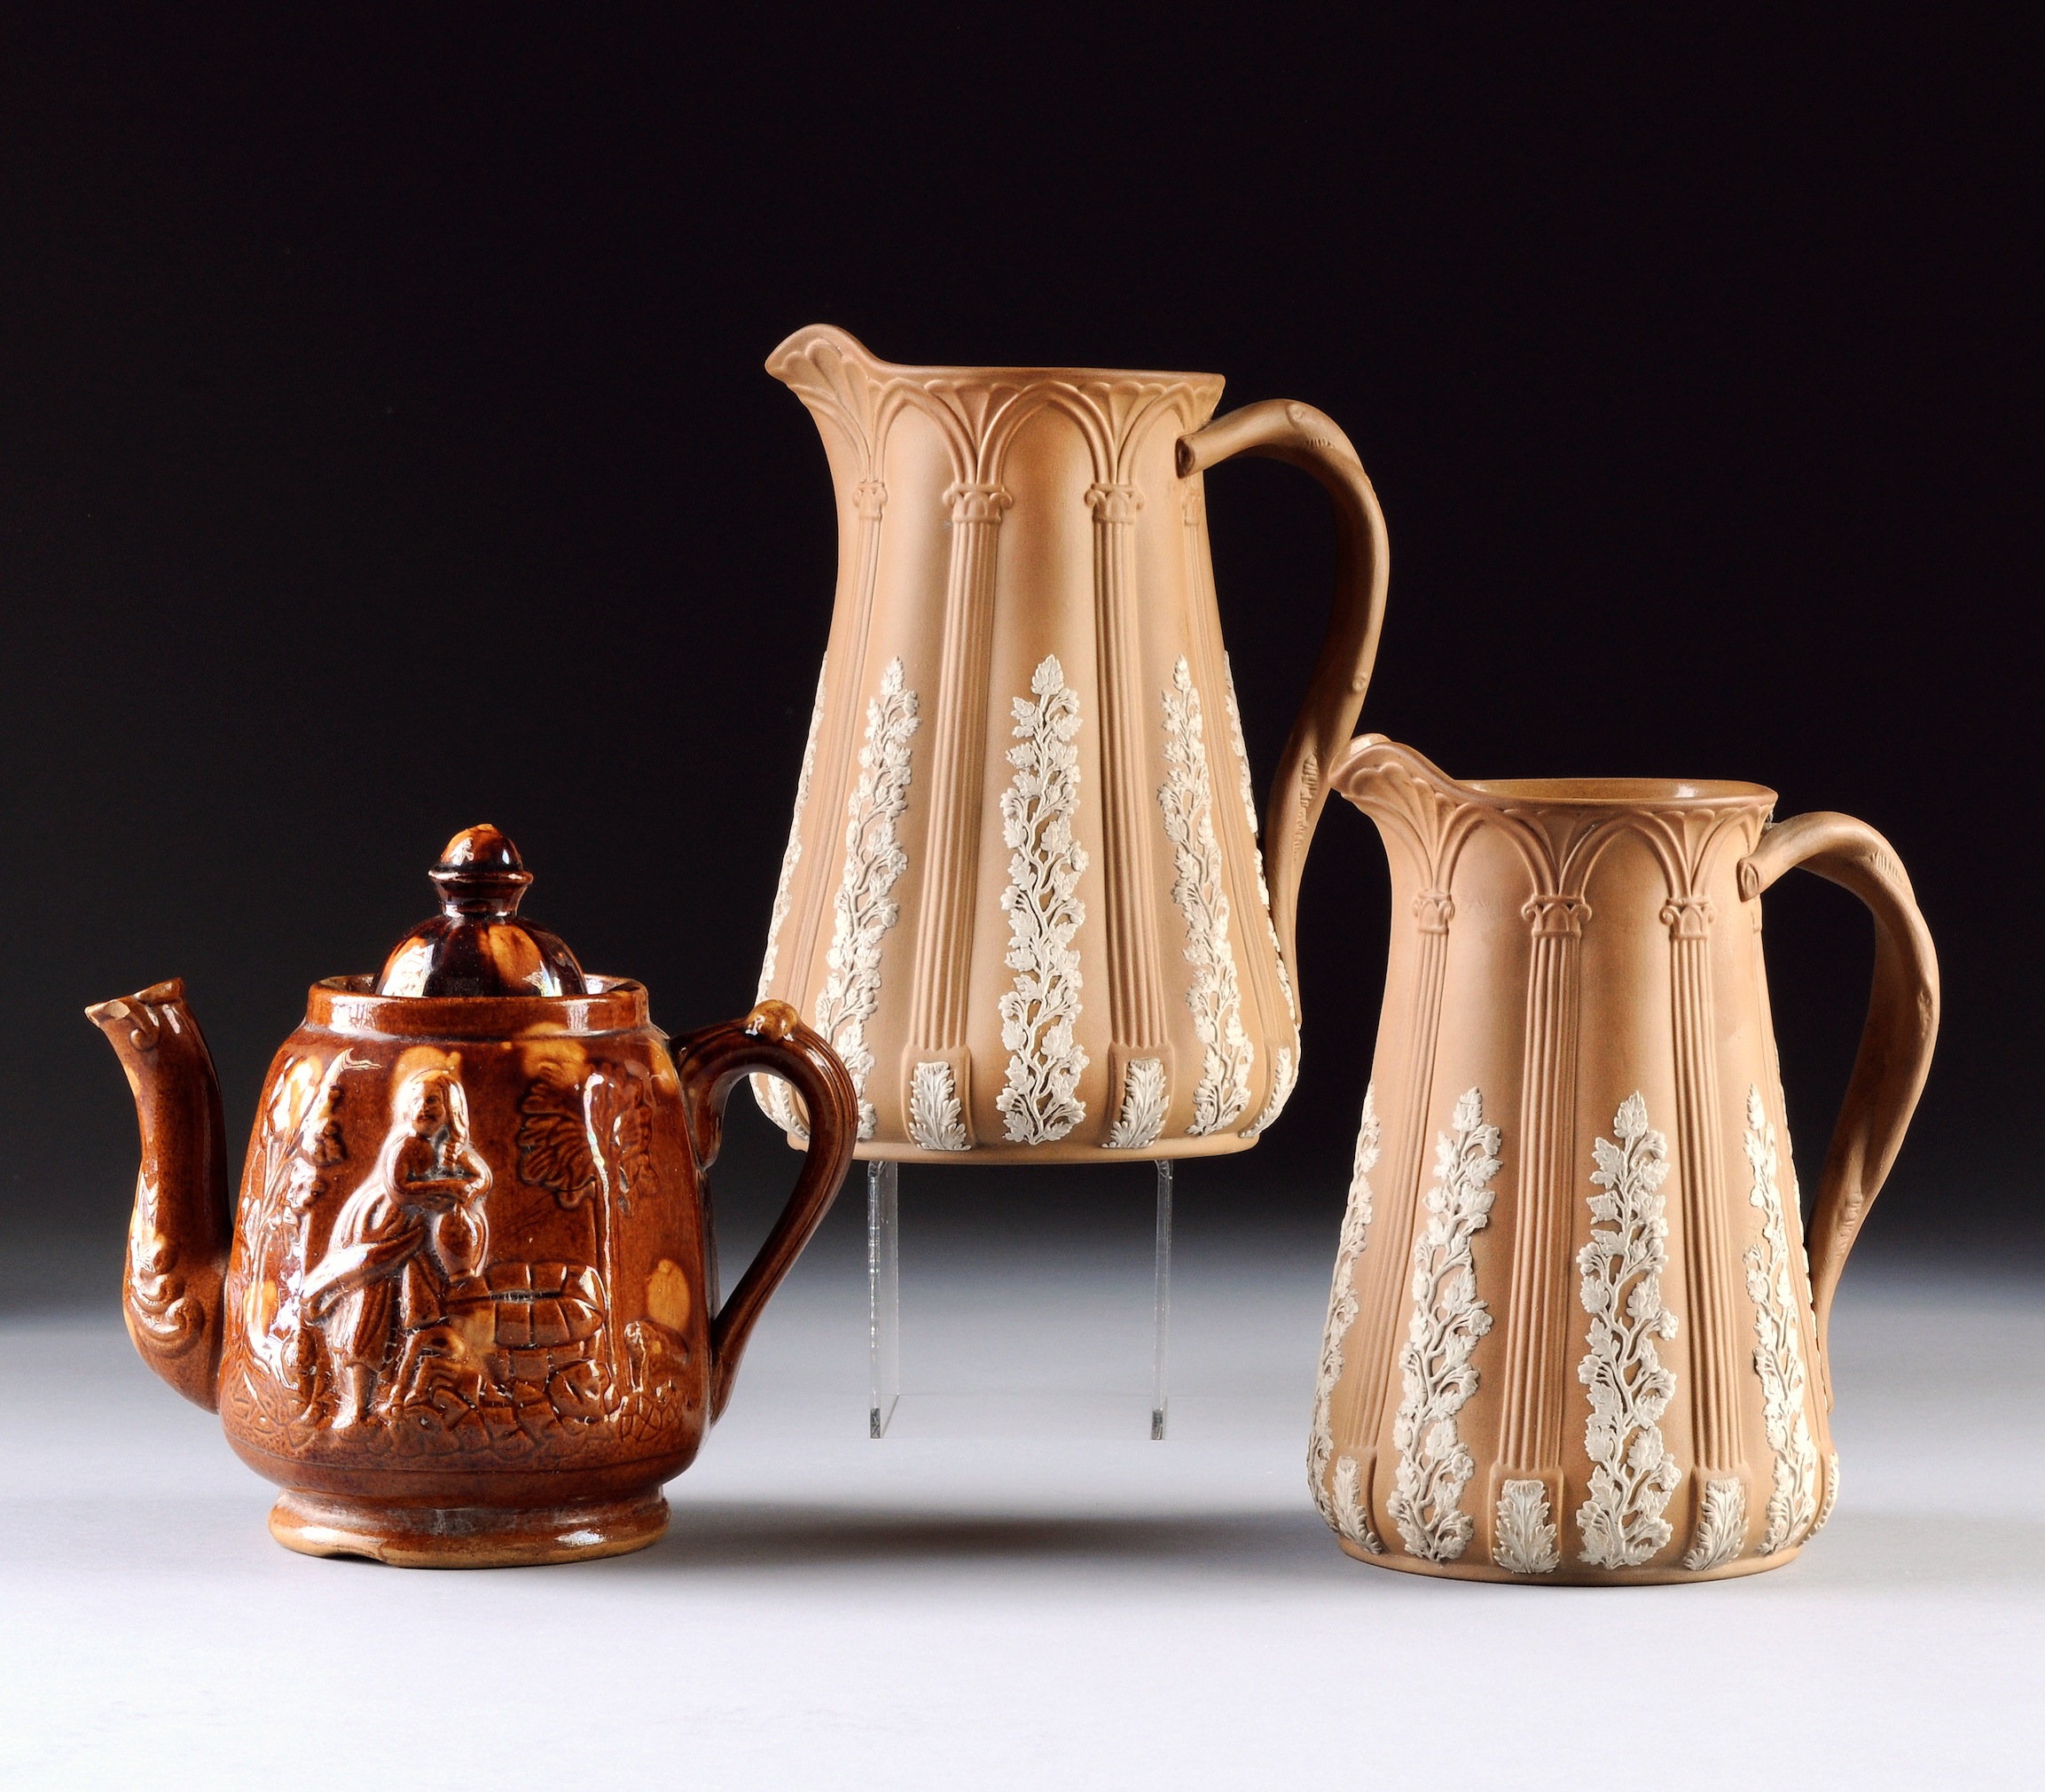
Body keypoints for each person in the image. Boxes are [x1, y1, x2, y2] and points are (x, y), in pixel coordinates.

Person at [302, 1064, 491, 1427]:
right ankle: (359, 1408)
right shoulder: (404, 1145)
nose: (423, 1108)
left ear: (452, 1110)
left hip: (415, 1244)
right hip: (384, 1235)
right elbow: (400, 1191)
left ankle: (407, 1392)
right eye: (417, 1101)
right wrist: (448, 1189)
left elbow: (482, 1175)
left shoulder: (449, 1150)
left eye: (433, 1101)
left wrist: (471, 1188)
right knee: (368, 1315)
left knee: (414, 1312)